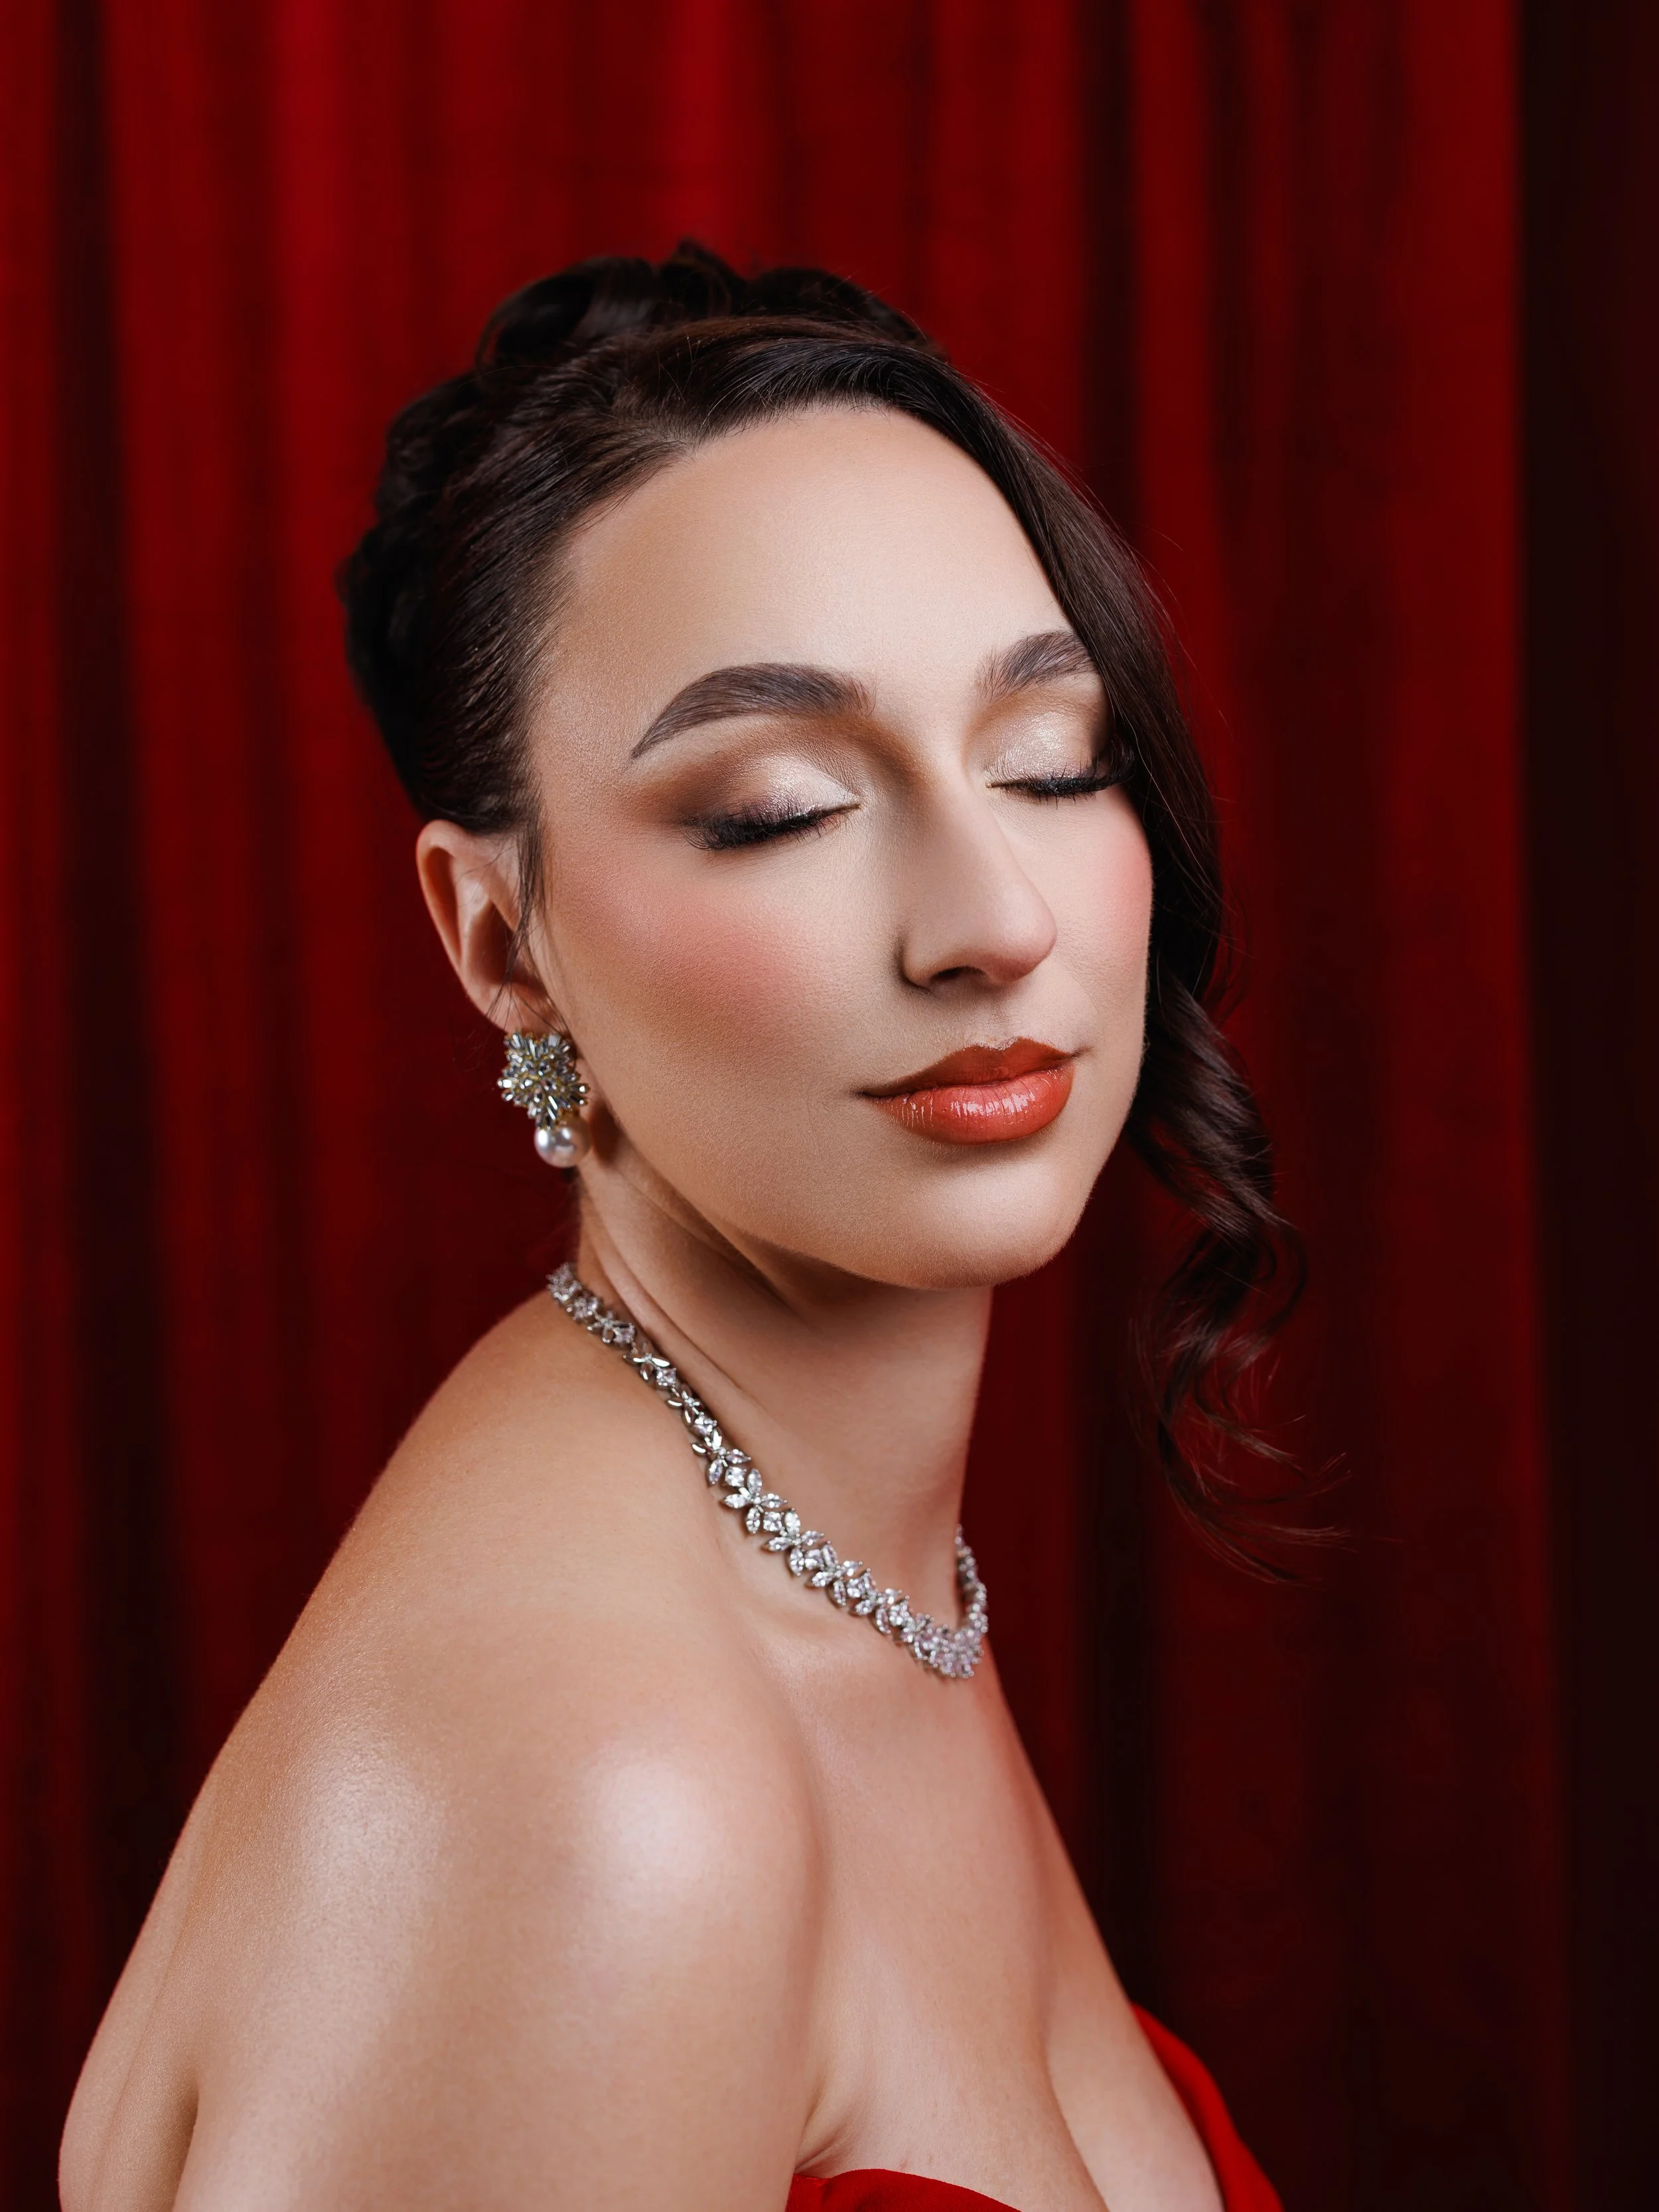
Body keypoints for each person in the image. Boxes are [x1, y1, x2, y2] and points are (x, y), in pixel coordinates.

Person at [60, 245, 1296, 2211]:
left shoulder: (828, 1559)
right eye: (783, 804)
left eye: (1051, 758)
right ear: (499, 939)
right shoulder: (593, 1803)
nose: (995, 916)